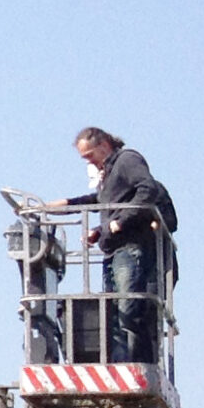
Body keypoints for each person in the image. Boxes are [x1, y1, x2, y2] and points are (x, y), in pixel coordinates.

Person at [67, 127, 172, 364]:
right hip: (113, 249)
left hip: (129, 247)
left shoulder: (127, 160)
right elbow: (107, 202)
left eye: (89, 155)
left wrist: (121, 223)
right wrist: (96, 228)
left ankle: (139, 364)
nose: (89, 162)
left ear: (104, 145)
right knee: (114, 312)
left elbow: (148, 188)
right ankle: (120, 363)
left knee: (128, 309)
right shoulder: (107, 174)